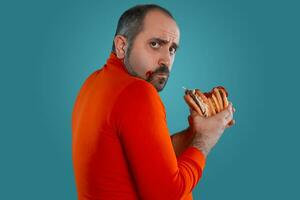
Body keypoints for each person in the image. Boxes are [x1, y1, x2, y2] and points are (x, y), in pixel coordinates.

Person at [72, 4, 235, 200]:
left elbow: (148, 160)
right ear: (122, 46)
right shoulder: (138, 92)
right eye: (155, 44)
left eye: (172, 49)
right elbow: (167, 195)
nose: (166, 60)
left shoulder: (93, 82)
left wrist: (196, 132)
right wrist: (205, 141)